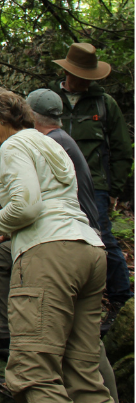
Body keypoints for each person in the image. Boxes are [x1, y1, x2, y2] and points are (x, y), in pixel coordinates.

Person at [0, 88, 119, 403]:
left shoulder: (15, 144)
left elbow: (26, 208)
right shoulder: (51, 144)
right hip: (88, 250)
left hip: (49, 257)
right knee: (84, 376)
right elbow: (54, 203)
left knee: (34, 374)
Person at [48, 43, 133, 322]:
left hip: (94, 184)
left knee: (102, 238)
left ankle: (122, 301)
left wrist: (114, 189)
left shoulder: (104, 103)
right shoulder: (50, 101)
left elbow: (122, 150)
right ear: (69, 72)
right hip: (56, 182)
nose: (87, 79)